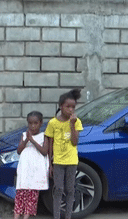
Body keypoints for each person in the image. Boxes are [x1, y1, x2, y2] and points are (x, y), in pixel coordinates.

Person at [45, 89, 83, 219]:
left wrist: (72, 125)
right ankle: (56, 216)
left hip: (71, 161)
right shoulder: (53, 123)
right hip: (58, 162)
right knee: (58, 189)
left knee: (70, 189)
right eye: (68, 107)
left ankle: (68, 216)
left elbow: (74, 142)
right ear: (61, 106)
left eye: (73, 107)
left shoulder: (76, 122)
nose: (71, 110)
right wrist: (50, 163)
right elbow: (50, 143)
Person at [14, 111, 49, 219]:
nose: (33, 126)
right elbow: (19, 151)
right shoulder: (24, 135)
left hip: (36, 171)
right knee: (20, 193)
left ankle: (26, 216)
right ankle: (16, 216)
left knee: (32, 195)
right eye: (30, 123)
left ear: (41, 123)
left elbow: (44, 152)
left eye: (35, 123)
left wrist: (32, 141)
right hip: (25, 170)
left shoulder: (44, 136)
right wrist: (25, 141)